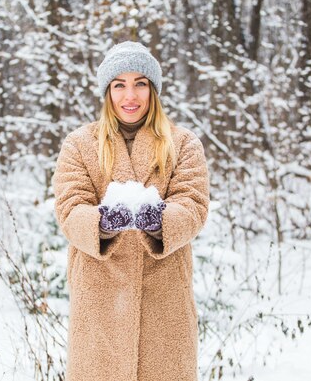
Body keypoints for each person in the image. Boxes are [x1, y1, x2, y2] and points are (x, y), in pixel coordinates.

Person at [53, 41, 210, 381]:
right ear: (107, 92)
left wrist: (160, 221)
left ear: (153, 90)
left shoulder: (182, 144)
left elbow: (193, 204)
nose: (130, 95)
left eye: (140, 83)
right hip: (99, 301)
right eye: (119, 85)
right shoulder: (80, 144)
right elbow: (69, 207)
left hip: (164, 300)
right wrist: (102, 223)